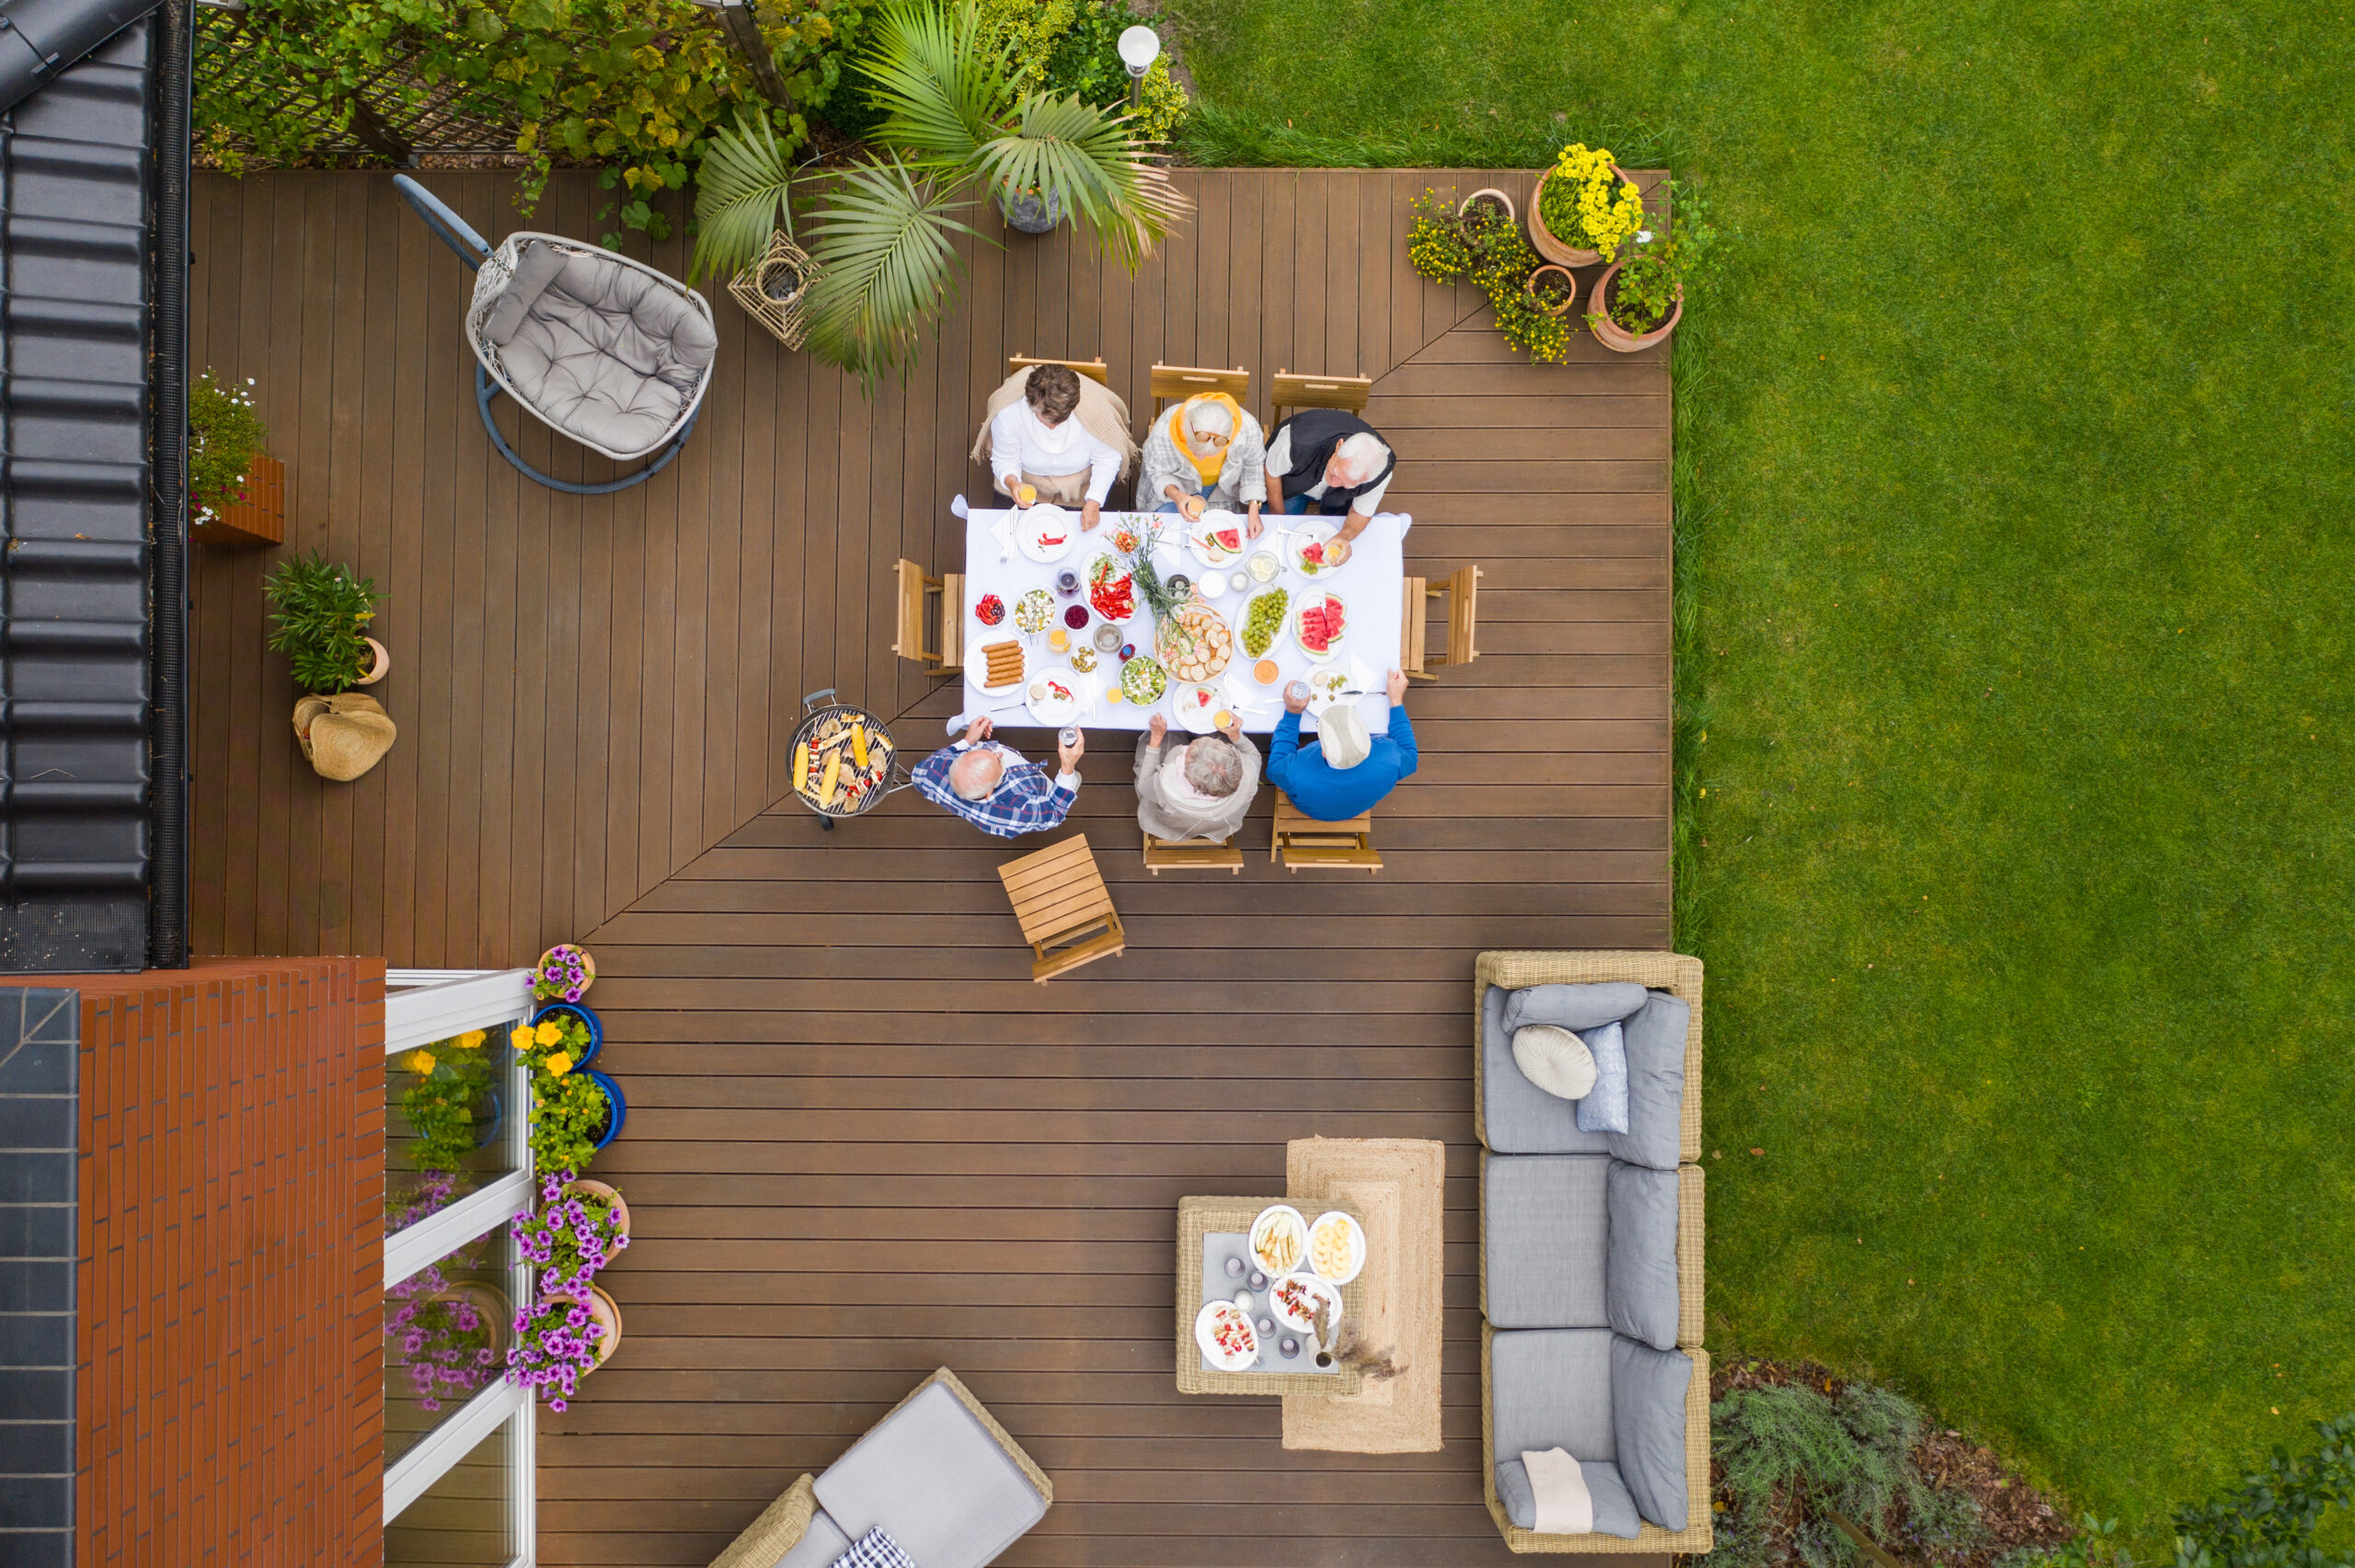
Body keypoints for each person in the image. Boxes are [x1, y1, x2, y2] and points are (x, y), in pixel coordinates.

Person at [982, 363, 1124, 531]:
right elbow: (1005, 459)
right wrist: (1012, 483)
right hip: (1026, 483)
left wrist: (1094, 501)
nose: (1051, 428)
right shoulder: (1007, 415)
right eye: (1043, 419)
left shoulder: (1097, 414)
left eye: (1058, 421)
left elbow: (1107, 459)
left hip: (1081, 489)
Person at [1268, 671, 1416, 820]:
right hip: (1357, 805)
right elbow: (1410, 754)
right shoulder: (1391, 759)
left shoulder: (1296, 775)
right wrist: (1396, 699)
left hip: (1313, 810)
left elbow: (1275, 767)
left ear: (1324, 753)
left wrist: (1292, 714)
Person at [913, 716, 1085, 838]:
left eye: (983, 751)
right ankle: (1066, 782)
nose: (999, 753)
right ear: (989, 794)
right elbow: (1053, 813)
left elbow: (917, 776)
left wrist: (968, 741)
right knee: (1061, 785)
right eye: (999, 762)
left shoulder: (932, 771)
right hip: (1037, 789)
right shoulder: (1010, 813)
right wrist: (1067, 767)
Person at [1137, 391, 1272, 538]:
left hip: (1219, 491)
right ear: (1187, 429)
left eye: (1210, 454)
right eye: (1195, 452)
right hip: (1174, 487)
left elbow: (1253, 467)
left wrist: (1253, 509)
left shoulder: (1248, 428)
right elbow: (1156, 472)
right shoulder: (1165, 427)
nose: (1201, 459)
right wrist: (1177, 496)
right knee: (1162, 534)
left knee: (1218, 534)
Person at [1264, 409, 1396, 544]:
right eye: (1335, 473)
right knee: (1269, 529)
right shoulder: (1294, 444)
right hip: (1292, 483)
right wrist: (1278, 517)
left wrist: (1343, 537)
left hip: (1338, 500)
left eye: (1347, 484)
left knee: (1356, 540)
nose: (1334, 484)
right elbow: (1272, 474)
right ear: (1339, 446)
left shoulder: (1378, 474)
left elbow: (1359, 514)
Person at [1134, 712, 1261, 843]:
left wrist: (1156, 737)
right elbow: (1254, 755)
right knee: (1215, 727)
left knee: (1170, 733)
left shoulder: (1166, 785)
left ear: (1191, 779)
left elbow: (1143, 786)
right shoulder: (1248, 774)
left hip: (1174, 822)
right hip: (1218, 822)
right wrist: (1236, 736)